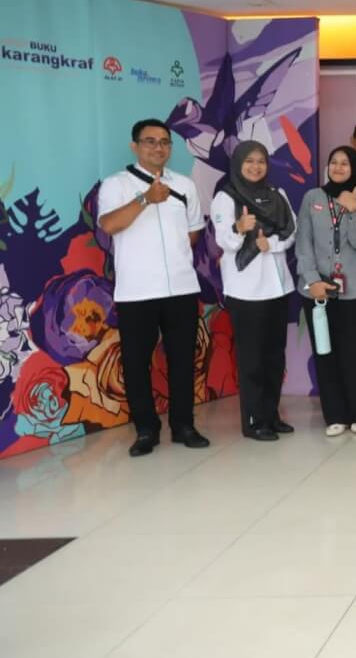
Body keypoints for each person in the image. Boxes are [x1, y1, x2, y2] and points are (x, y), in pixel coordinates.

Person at [96, 118, 209, 456]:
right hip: (137, 291)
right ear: (135, 146)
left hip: (181, 288)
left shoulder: (184, 185)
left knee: (182, 360)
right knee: (136, 363)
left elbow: (193, 232)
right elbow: (109, 225)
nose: (158, 148)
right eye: (150, 141)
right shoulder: (116, 184)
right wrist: (145, 200)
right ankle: (146, 430)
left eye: (164, 142)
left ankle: (184, 425)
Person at [211, 140, 297, 441]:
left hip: (277, 286)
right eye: (249, 161)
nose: (256, 166)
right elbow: (223, 240)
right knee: (252, 359)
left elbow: (291, 230)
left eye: (261, 161)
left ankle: (271, 415)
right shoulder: (226, 197)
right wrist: (239, 228)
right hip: (246, 290)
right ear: (238, 164)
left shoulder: (277, 193)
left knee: (274, 357)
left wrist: (270, 244)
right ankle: (254, 420)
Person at [295, 146, 356, 436]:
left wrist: (352, 210)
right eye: (334, 162)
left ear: (355, 168)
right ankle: (335, 415)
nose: (339, 167)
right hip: (318, 288)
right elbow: (303, 242)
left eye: (345, 163)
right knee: (325, 351)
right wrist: (311, 280)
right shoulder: (312, 198)